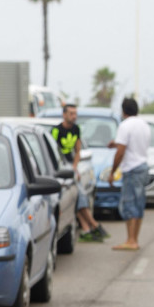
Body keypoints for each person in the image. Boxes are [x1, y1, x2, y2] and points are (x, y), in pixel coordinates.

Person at [51, 104, 109, 243]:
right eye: (71, 113)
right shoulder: (56, 130)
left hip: (71, 168)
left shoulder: (76, 129)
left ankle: (87, 229)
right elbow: (52, 152)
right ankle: (93, 225)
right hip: (59, 169)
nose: (74, 116)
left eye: (75, 113)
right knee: (78, 195)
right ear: (64, 114)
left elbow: (77, 150)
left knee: (76, 197)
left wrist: (74, 166)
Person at [107, 98, 151, 251]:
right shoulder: (144, 125)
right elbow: (134, 145)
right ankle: (135, 239)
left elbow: (121, 152)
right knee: (139, 203)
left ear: (123, 110)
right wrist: (116, 144)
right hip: (143, 166)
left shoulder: (125, 125)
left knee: (128, 204)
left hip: (131, 169)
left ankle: (131, 240)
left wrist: (112, 172)